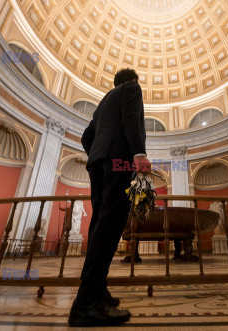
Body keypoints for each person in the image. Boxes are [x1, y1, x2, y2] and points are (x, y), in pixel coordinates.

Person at [68, 68, 150, 327]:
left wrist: (98, 155)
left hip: (98, 163)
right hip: (119, 161)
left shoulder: (104, 102)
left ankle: (97, 290)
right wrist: (137, 154)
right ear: (134, 81)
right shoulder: (132, 89)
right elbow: (131, 120)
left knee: (99, 225)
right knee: (112, 224)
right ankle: (86, 303)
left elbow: (86, 137)